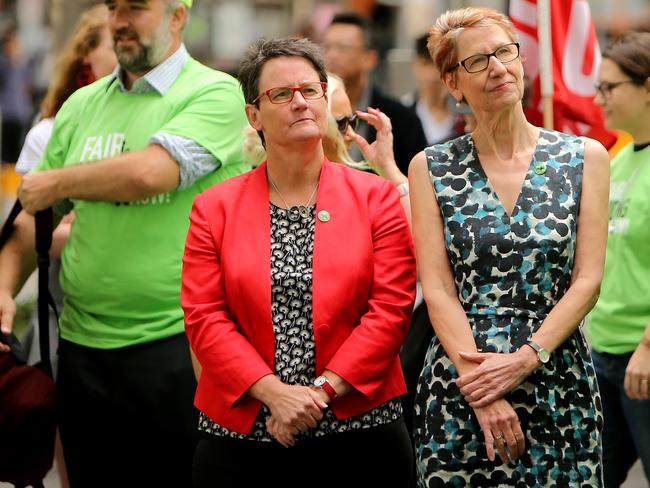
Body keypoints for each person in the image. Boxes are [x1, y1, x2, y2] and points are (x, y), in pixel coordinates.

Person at [0, 0, 249, 485]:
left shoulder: (214, 92)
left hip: (180, 345)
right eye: (114, 8)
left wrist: (56, 182)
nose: (119, 21)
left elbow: (152, 173)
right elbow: (34, 220)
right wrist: (4, 287)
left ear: (178, 16)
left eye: (136, 8)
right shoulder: (81, 106)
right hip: (81, 349)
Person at [181, 37, 416, 487]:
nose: (300, 103)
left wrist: (319, 393)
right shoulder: (215, 207)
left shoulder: (376, 198)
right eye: (281, 94)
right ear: (254, 115)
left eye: (311, 90)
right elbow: (204, 316)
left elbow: (391, 309)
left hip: (360, 432)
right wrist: (272, 393)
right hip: (244, 434)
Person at [409, 7, 609, 486]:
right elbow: (437, 289)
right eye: (478, 61)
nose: (498, 67)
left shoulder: (584, 157)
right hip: (463, 382)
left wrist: (526, 357)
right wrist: (484, 390)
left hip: (556, 373)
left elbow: (588, 280)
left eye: (505, 52)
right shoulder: (430, 166)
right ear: (452, 83)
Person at [589, 31, 650, 487]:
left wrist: (647, 347)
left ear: (647, 87)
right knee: (593, 477)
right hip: (605, 352)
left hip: (643, 357)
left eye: (610, 88)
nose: (600, 98)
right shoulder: (618, 157)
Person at [322, 12, 427, 175]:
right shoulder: (313, 112)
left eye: (343, 48)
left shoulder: (402, 120)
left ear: (370, 58)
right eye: (327, 47)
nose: (331, 55)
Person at [402, 33, 463, 146]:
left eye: (438, 67)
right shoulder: (401, 115)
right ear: (415, 66)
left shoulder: (466, 116)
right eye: (425, 64)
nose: (432, 75)